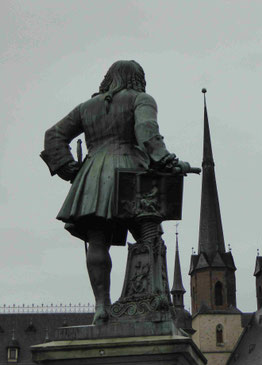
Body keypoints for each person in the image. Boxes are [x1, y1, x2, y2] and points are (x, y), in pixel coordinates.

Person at [40, 60, 195, 324]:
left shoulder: (87, 108)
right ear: (138, 79)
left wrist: (68, 167)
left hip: (93, 178)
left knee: (97, 240)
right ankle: (154, 301)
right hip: (132, 173)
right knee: (150, 237)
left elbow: (53, 135)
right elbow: (147, 132)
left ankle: (102, 306)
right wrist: (168, 161)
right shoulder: (141, 99)